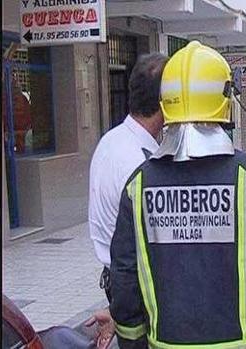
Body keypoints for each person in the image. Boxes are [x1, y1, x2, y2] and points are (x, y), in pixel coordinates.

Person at [109, 41, 246, 349]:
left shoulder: (138, 185)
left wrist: (132, 341)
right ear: (225, 98)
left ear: (166, 102)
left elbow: (125, 275)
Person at [87, 53, 168, 347]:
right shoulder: (138, 164)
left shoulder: (112, 141)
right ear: (165, 102)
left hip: (120, 282)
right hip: (136, 287)